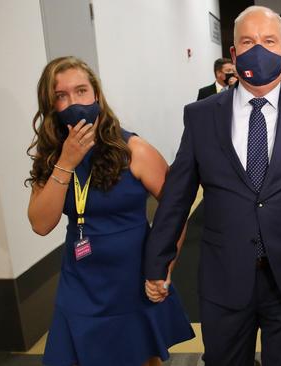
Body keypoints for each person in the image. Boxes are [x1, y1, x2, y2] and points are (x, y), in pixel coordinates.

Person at [144, 5, 281, 366]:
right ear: (234, 53)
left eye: (269, 41)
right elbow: (177, 196)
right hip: (224, 275)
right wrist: (157, 261)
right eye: (248, 41)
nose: (259, 49)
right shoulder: (201, 115)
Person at [26, 56, 194, 366]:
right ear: (51, 105)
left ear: (97, 95)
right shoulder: (52, 157)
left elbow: (176, 210)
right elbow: (40, 223)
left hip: (132, 280)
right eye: (61, 96)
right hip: (80, 281)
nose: (73, 102)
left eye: (81, 91)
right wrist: (67, 161)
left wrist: (164, 267)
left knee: (140, 358)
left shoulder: (134, 149)